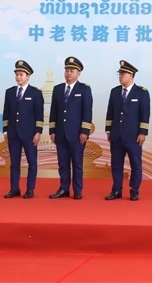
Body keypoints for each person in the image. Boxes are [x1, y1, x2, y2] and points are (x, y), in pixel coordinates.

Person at [105, 60, 150, 201]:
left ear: (131, 75)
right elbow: (110, 112)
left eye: (123, 74)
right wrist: (108, 130)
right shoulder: (114, 91)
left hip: (133, 136)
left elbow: (145, 114)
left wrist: (142, 132)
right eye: (119, 74)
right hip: (116, 135)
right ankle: (116, 189)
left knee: (135, 164)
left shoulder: (141, 92)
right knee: (116, 164)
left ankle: (134, 190)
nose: (120, 76)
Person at [48, 56, 93, 200]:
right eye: (67, 70)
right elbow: (54, 111)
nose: (68, 73)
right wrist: (52, 131)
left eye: (72, 71)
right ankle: (63, 188)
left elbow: (87, 112)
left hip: (77, 134)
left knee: (77, 163)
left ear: (78, 73)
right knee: (63, 163)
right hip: (61, 133)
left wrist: (84, 131)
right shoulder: (58, 89)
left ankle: (78, 190)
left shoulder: (84, 89)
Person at [2, 60, 45, 199]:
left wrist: (38, 132)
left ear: (28, 76)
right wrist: (5, 131)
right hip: (13, 133)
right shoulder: (9, 92)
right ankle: (14, 188)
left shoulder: (36, 93)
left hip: (29, 134)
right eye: (17, 74)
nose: (18, 77)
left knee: (32, 162)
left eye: (21, 74)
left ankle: (30, 188)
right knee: (14, 163)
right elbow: (6, 113)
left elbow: (39, 115)